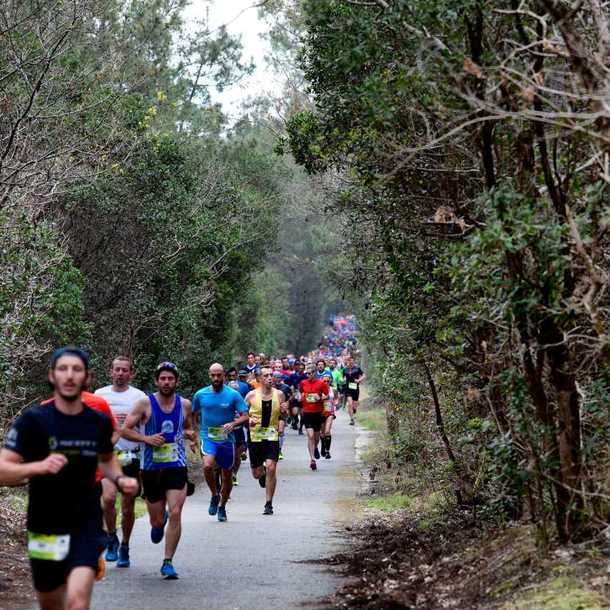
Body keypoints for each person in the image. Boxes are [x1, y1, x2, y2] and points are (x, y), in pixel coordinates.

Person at [0, 347, 138, 610]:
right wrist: (37, 467)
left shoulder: (97, 421)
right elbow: (3, 470)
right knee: (51, 602)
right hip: (46, 523)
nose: (70, 375)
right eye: (63, 369)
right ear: (52, 376)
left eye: (77, 369)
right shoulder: (34, 420)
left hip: (84, 523)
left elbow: (107, 461)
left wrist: (120, 480)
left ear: (87, 378)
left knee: (76, 602)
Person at [122, 361, 194, 580]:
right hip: (151, 468)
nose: (166, 382)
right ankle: (157, 520)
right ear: (156, 381)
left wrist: (191, 435)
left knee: (176, 512)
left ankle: (167, 562)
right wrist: (146, 438)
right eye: (162, 378)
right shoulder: (144, 403)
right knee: (157, 522)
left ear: (176, 381)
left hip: (176, 465)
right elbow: (125, 430)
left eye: (170, 378)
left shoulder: (184, 404)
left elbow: (189, 426)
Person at [95, 356, 146, 567]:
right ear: (110, 371)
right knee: (107, 499)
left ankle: (125, 545)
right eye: (117, 370)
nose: (120, 373)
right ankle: (111, 537)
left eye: (125, 370)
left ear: (131, 373)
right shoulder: (99, 395)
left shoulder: (139, 397)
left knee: (127, 508)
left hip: (131, 456)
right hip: (107, 457)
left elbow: (145, 425)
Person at [191, 363, 249, 522]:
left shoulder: (233, 394)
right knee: (208, 465)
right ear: (209, 375)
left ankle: (222, 506)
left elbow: (245, 415)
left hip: (226, 440)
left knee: (227, 474)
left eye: (219, 375)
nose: (216, 378)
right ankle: (215, 495)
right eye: (213, 375)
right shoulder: (200, 394)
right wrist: (193, 431)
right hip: (208, 437)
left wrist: (234, 424)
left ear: (224, 375)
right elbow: (192, 413)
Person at [245, 367, 288, 514]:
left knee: (271, 467)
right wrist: (248, 421)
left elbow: (284, 416)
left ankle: (268, 504)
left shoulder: (280, 394)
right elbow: (241, 416)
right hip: (255, 437)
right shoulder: (250, 396)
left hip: (271, 435)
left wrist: (284, 415)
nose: (270, 378)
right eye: (266, 375)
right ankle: (262, 474)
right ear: (259, 379)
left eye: (271, 375)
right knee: (257, 474)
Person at [299, 365, 330, 470]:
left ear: (315, 373)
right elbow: (301, 393)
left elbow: (327, 395)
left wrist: (320, 397)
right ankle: (312, 459)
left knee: (316, 437)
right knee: (310, 436)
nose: (309, 375)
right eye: (307, 373)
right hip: (307, 412)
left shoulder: (321, 383)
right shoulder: (303, 383)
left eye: (311, 373)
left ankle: (315, 447)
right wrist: (302, 396)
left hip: (318, 412)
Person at [225, 367, 250, 485]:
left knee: (238, 455)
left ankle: (234, 474)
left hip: (239, 429)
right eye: (231, 390)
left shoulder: (242, 399)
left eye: (236, 391)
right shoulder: (223, 400)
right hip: (227, 431)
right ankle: (228, 476)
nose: (234, 393)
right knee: (230, 454)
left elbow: (247, 413)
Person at [272, 371, 292, 459]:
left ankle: (279, 450)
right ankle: (272, 449)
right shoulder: (270, 387)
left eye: (279, 377)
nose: (277, 379)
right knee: (272, 432)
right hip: (271, 412)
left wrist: (287, 403)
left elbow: (291, 396)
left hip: (282, 412)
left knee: (280, 431)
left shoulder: (286, 387)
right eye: (276, 377)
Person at [343, 356, 365, 425]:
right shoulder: (345, 369)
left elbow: (364, 375)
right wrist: (342, 380)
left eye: (352, 361)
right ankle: (352, 419)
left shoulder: (357, 368)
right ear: (347, 361)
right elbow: (342, 377)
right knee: (350, 404)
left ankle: (354, 410)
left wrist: (359, 380)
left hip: (355, 388)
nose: (350, 362)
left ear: (353, 361)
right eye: (349, 361)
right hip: (348, 388)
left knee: (354, 405)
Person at [287, 360, 307, 434]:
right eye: (299, 367)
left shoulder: (306, 377)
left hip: (303, 395)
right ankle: (295, 420)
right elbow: (288, 383)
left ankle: (301, 428)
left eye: (302, 368)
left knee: (302, 414)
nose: (300, 369)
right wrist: (291, 391)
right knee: (295, 412)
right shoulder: (293, 375)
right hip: (295, 395)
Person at [320, 374, 336, 459]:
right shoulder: (318, 389)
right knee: (322, 433)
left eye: (328, 381)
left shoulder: (333, 389)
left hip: (330, 412)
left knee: (327, 431)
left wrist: (335, 405)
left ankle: (327, 451)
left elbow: (336, 398)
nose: (326, 382)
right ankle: (323, 446)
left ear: (330, 381)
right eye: (324, 381)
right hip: (320, 412)